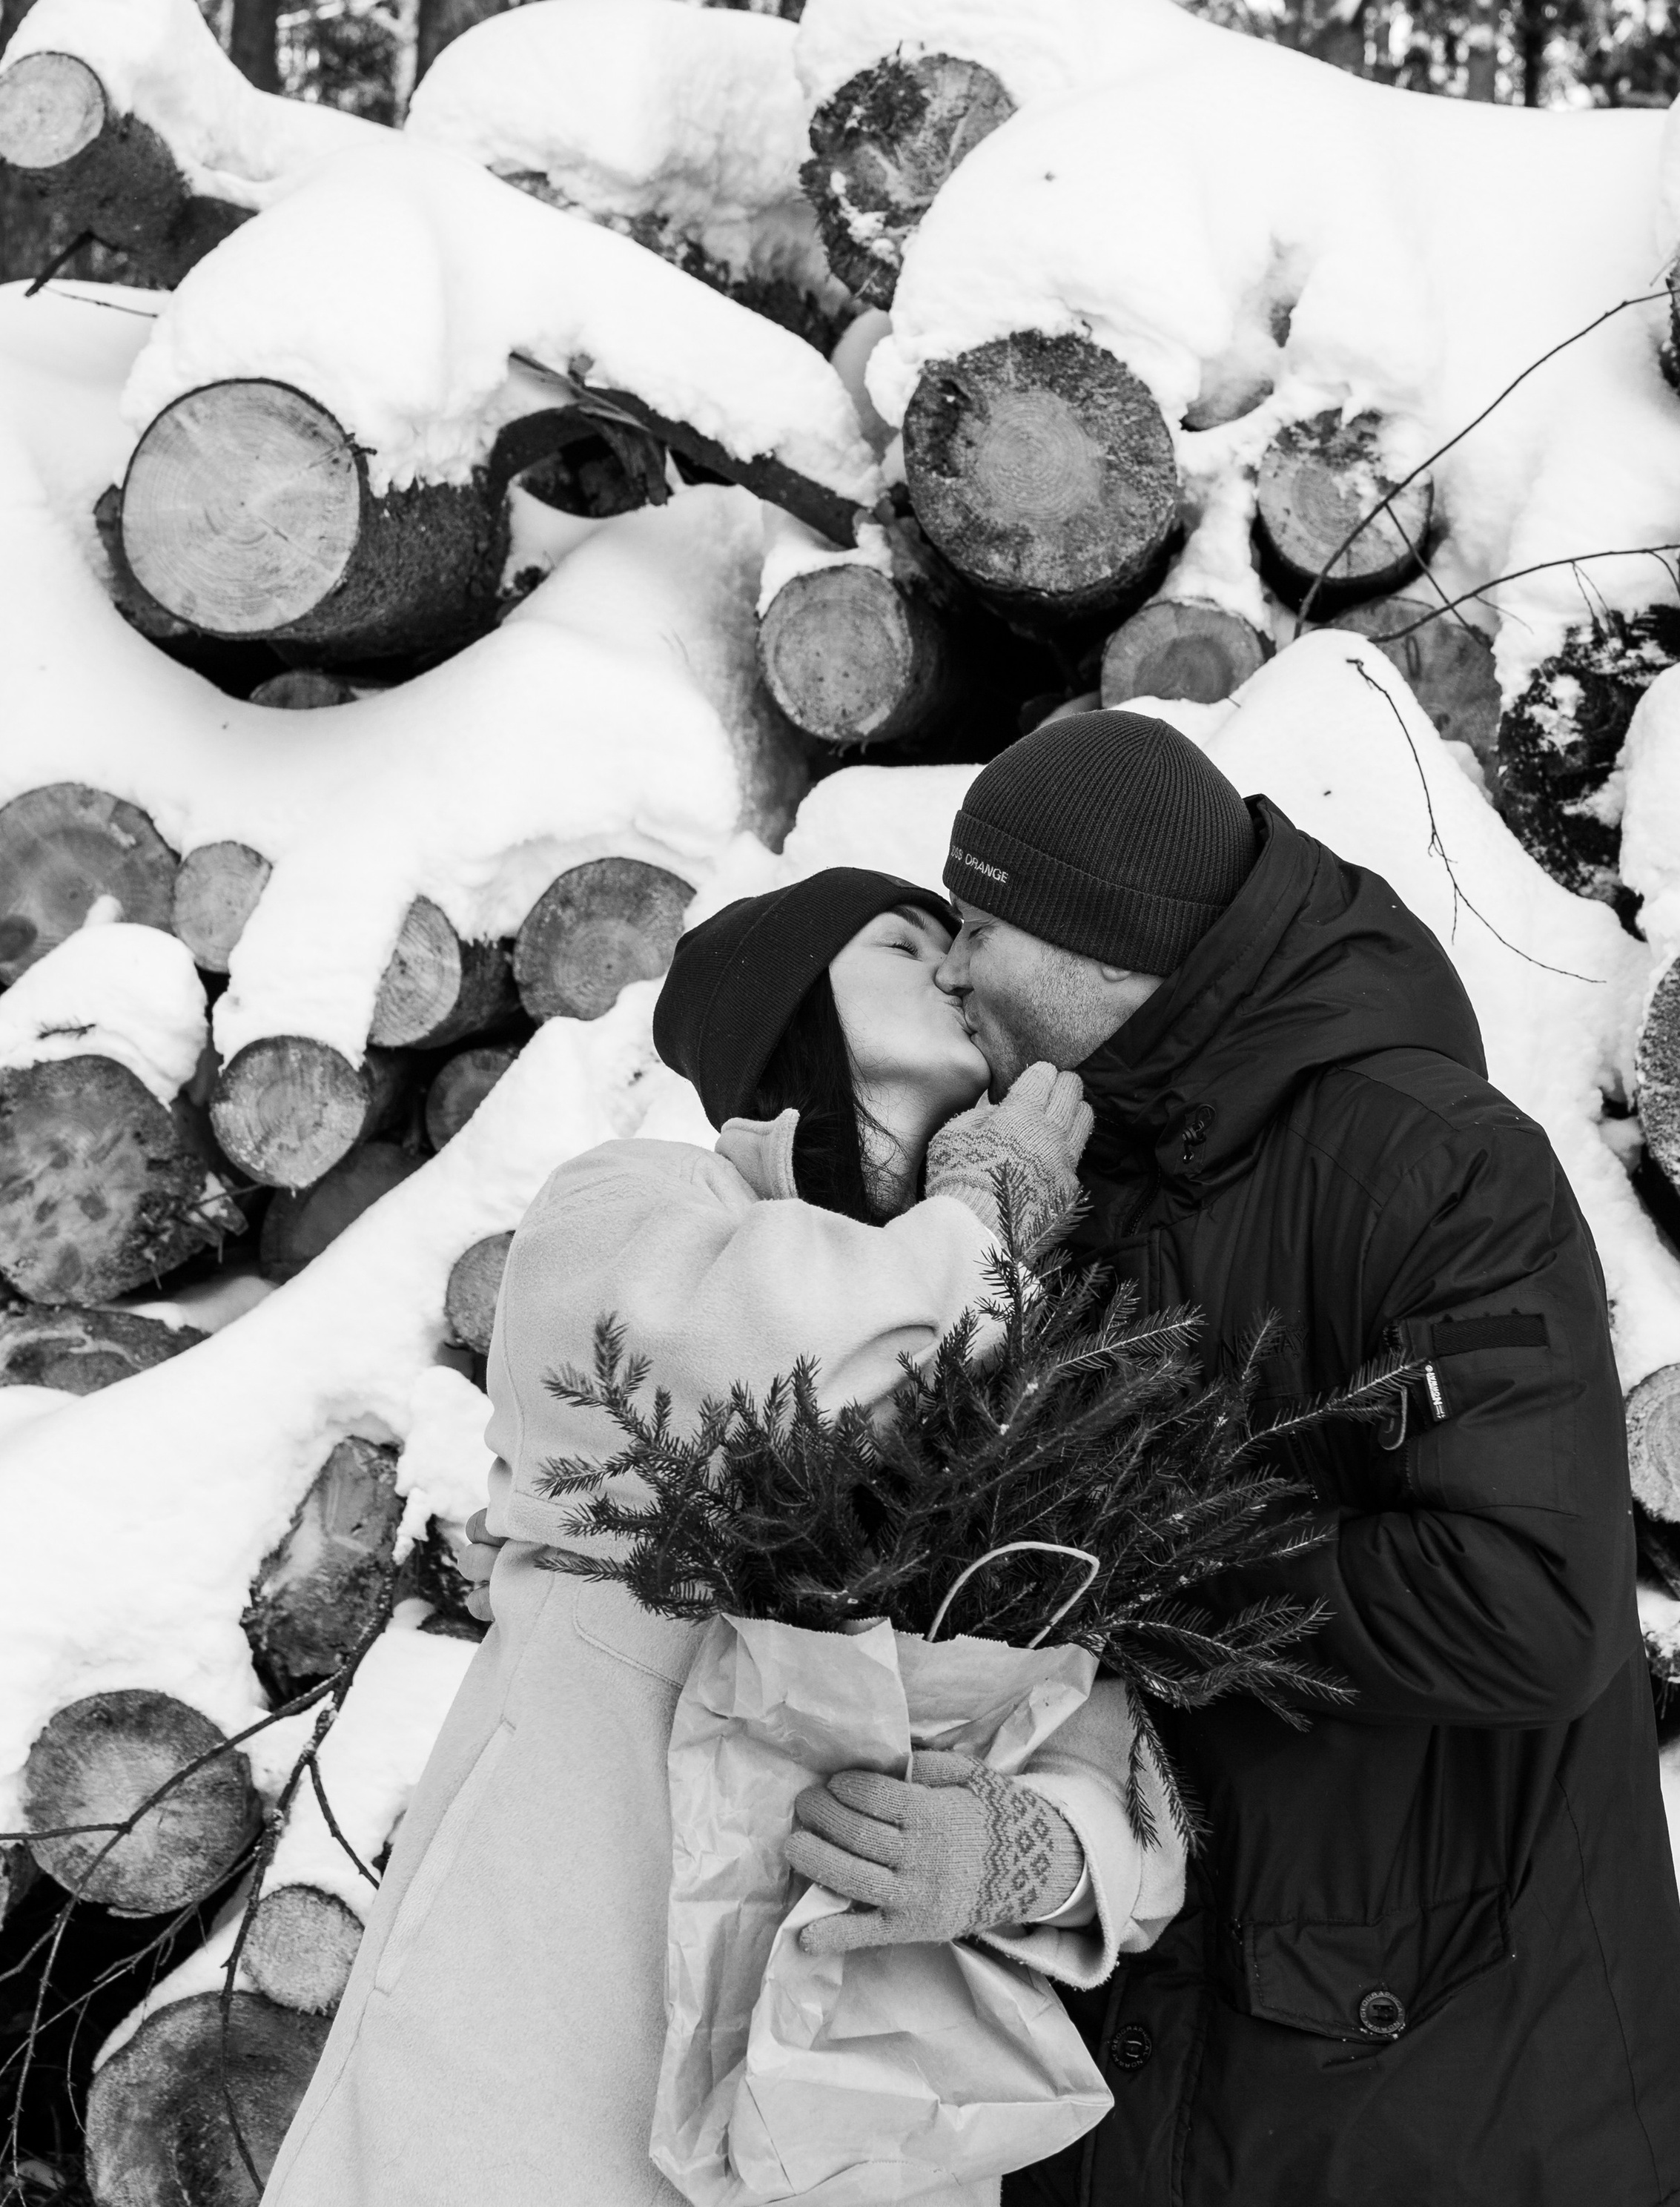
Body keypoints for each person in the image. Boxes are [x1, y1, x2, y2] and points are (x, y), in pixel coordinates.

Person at [262, 866, 1181, 2207]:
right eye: (902, 940)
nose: (956, 970)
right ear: (783, 998)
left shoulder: (1049, 1337)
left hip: (833, 2085)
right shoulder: (633, 1205)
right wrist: (982, 1227)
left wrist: (1034, 1849)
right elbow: (748, 1377)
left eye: (964, 947)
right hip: (549, 2017)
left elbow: (1120, 1693)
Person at [913, 707, 1680, 2207]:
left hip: (1439, 2110)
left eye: (976, 924)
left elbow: (1527, 1608)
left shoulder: (1426, 1162)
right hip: (1161, 2078)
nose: (949, 969)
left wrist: (1135, 1560)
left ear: (1103, 944)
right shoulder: (1058, 1176)